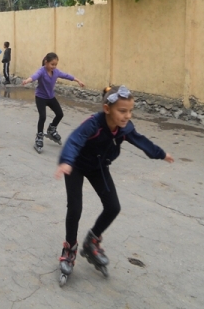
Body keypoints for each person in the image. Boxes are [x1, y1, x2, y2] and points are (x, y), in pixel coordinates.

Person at [55, 85, 174, 282]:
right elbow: (75, 140)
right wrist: (66, 161)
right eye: (122, 111)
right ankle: (69, 248)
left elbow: (141, 141)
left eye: (130, 111)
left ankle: (91, 242)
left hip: (98, 167)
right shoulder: (93, 124)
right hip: (75, 166)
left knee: (113, 207)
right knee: (75, 208)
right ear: (107, 109)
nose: (128, 116)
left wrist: (160, 154)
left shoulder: (125, 128)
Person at [22, 52, 85, 153]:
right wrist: (26, 81)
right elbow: (34, 76)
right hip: (40, 97)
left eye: (55, 64)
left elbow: (66, 76)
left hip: (50, 97)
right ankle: (39, 137)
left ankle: (51, 129)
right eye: (52, 64)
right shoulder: (41, 71)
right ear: (46, 62)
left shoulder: (56, 72)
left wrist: (78, 80)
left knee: (60, 114)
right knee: (43, 116)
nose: (54, 66)